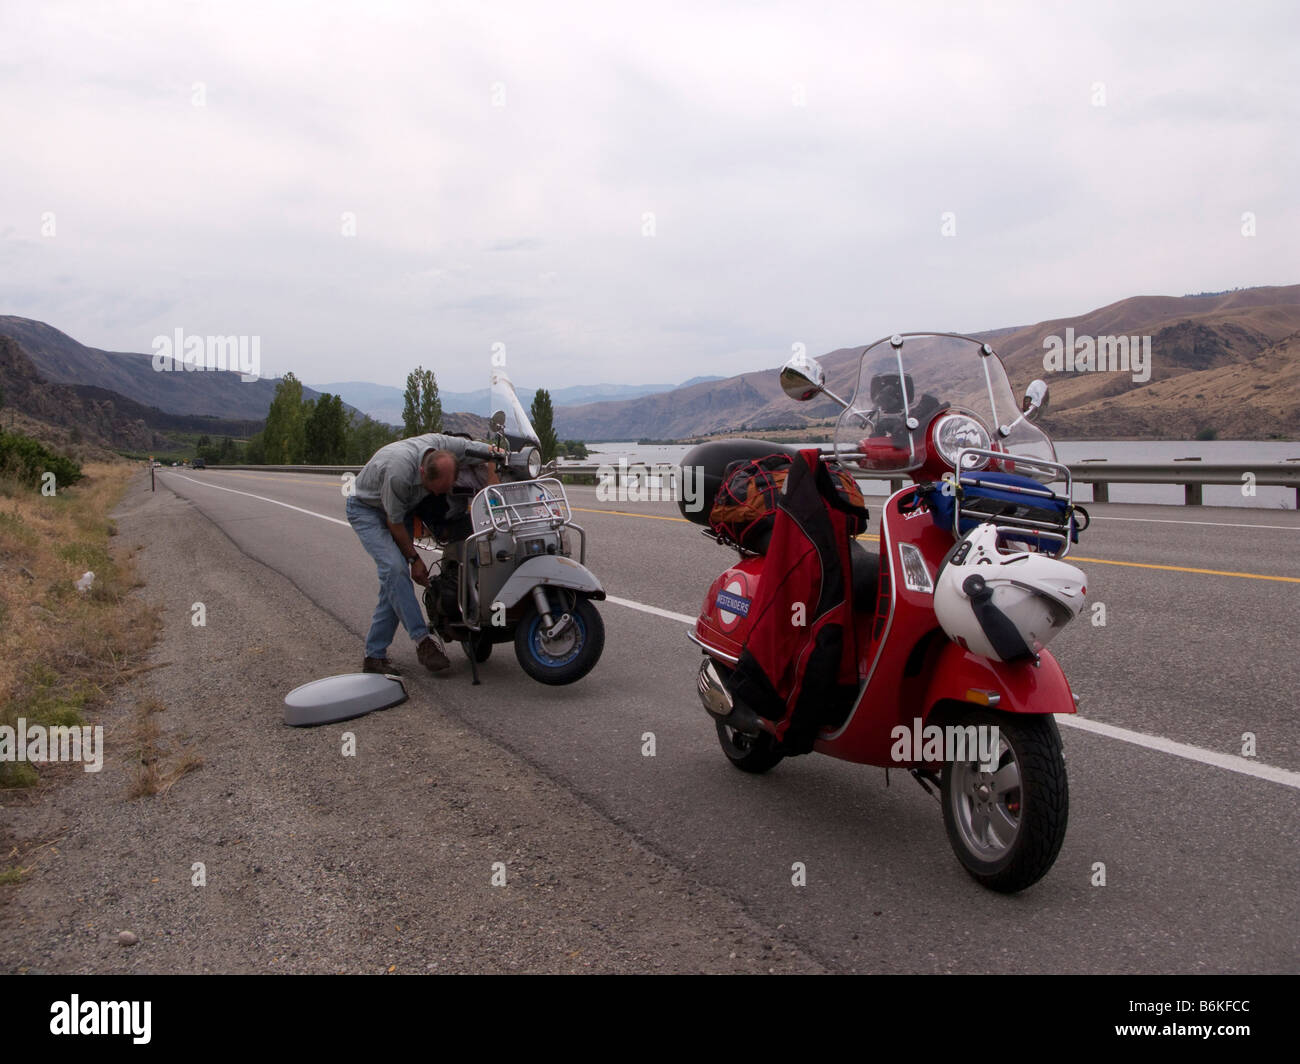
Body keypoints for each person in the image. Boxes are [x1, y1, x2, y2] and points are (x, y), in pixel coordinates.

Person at [347, 432, 500, 673]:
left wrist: (492, 485)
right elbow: (394, 523)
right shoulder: (399, 474)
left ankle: (374, 656)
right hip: (368, 510)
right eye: (436, 490)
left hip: (402, 510)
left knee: (394, 584)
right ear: (421, 474)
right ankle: (423, 642)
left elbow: (493, 452)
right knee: (396, 569)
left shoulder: (446, 446)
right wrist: (414, 560)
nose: (440, 495)